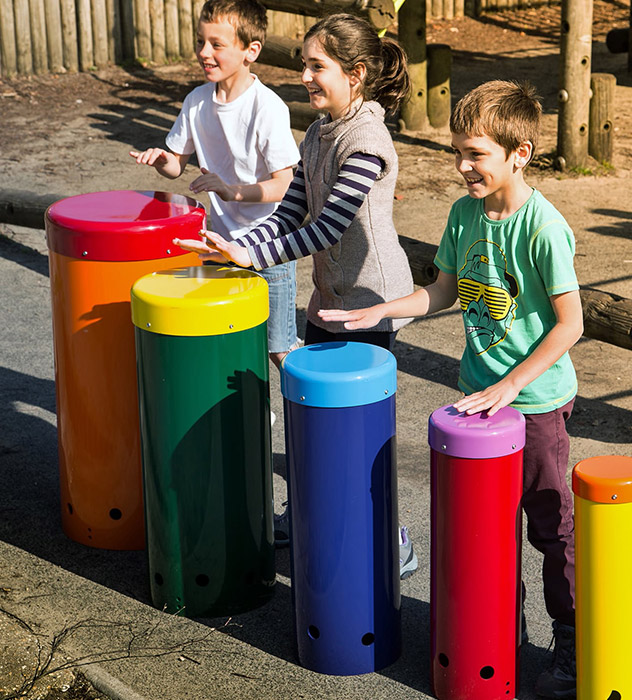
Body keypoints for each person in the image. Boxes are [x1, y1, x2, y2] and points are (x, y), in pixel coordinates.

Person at [318, 80, 583, 697]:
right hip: (477, 402)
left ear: (520, 152)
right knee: (488, 533)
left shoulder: (543, 227)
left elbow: (570, 323)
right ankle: (501, 639)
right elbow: (443, 290)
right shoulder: (465, 214)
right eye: (458, 152)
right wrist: (379, 311)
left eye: (477, 154)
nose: (463, 166)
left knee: (549, 527)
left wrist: (511, 387)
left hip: (536, 405)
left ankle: (570, 639)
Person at [173, 13, 418, 578]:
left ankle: (392, 535)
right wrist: (240, 243)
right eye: (303, 64)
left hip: (371, 307)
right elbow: (289, 212)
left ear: (355, 74)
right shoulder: (318, 131)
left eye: (317, 67)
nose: (305, 76)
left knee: (358, 436)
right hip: (329, 299)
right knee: (313, 420)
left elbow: (327, 227)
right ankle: (308, 511)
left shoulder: (367, 141)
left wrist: (252, 256)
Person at [129, 0, 301, 369]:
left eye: (217, 45)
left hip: (267, 247)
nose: (204, 53)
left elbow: (284, 185)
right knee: (226, 342)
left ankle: (313, 416)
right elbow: (177, 165)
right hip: (217, 246)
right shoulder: (195, 102)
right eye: (200, 42)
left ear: (250, 51)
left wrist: (232, 190)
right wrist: (164, 161)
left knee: (280, 349)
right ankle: (248, 422)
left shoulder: (267, 107)